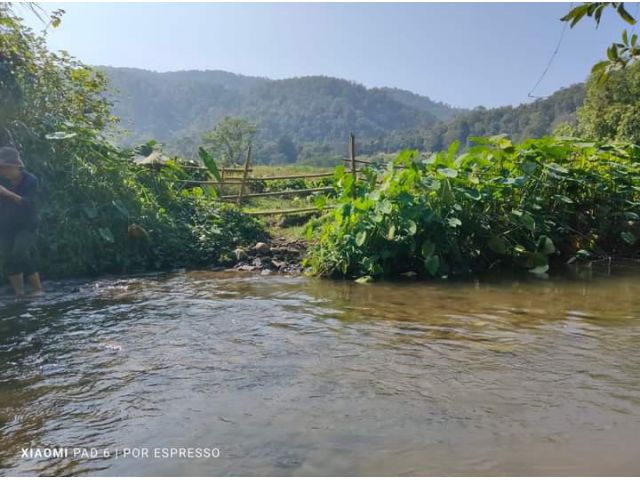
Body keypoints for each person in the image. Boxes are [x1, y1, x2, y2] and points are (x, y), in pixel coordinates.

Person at [0, 146, 41, 297]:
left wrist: (6, 193)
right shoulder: (2, 179)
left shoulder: (31, 180)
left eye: (5, 167)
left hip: (26, 225)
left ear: (17, 166)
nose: (3, 171)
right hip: (5, 225)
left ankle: (37, 289)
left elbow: (28, 204)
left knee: (19, 252)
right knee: (7, 256)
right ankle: (19, 292)